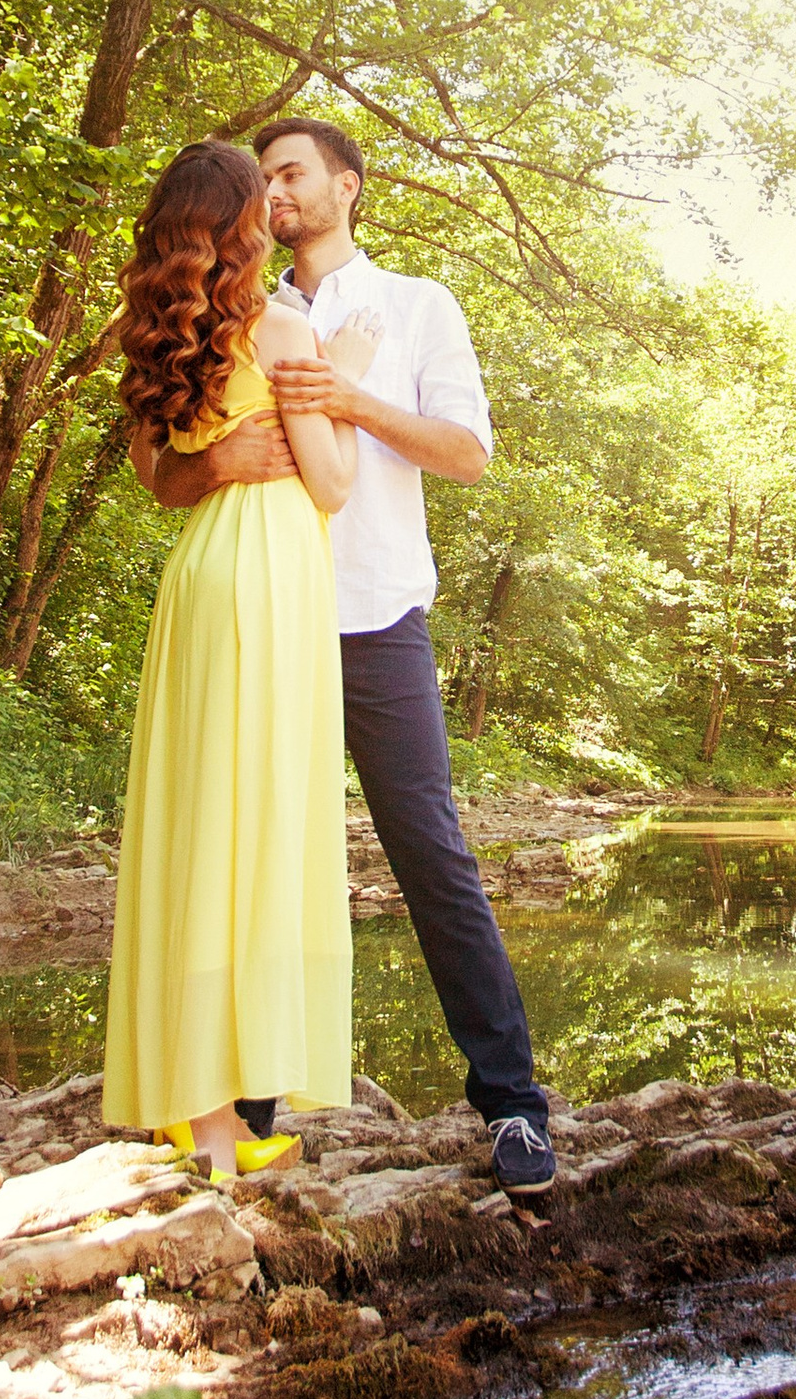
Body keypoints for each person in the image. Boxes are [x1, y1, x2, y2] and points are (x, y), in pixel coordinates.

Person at [130, 113, 557, 1195]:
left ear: (347, 187)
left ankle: (511, 1103)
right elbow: (164, 471)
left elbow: (465, 455)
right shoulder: (232, 309)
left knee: (430, 853)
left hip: (370, 622)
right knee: (246, 853)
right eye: (261, 180)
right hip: (256, 624)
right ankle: (244, 1106)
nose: (273, 194)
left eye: (292, 175)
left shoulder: (416, 307)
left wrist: (351, 398)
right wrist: (221, 458)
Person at [102, 141, 362, 1179]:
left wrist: (213, 462)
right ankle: (214, 1127)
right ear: (247, 221)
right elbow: (334, 484)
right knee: (253, 832)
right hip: (272, 574)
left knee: (200, 825)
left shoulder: (156, 332)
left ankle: (201, 1105)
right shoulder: (284, 326)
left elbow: (159, 479)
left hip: (203, 570)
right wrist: (351, 383)